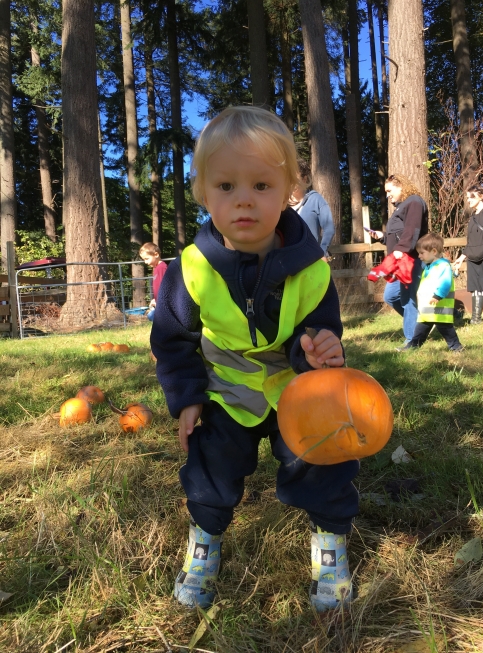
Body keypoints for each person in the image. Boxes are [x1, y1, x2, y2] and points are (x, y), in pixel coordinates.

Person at [150, 106, 358, 612]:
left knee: (323, 458)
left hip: (294, 388)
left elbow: (322, 326)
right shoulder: (192, 269)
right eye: (226, 187)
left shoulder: (310, 268)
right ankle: (204, 543)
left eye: (261, 186)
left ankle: (330, 543)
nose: (243, 199)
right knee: (210, 467)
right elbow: (173, 339)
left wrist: (320, 347)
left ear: (289, 189)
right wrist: (187, 397)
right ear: (203, 193)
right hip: (226, 390)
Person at [369, 173, 428, 348]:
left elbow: (412, 230)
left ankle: (412, 341)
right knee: (391, 296)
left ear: (401, 185)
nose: (387, 195)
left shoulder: (414, 202)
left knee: (408, 299)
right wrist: (383, 236)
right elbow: (398, 235)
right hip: (400, 259)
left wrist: (401, 251)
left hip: (410, 259)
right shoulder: (401, 207)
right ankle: (421, 327)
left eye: (389, 190)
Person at [398, 233, 463, 352]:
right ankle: (412, 346)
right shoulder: (430, 267)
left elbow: (445, 282)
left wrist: (437, 296)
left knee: (446, 330)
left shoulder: (443, 266)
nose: (419, 256)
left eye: (422, 253)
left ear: (433, 251)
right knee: (420, 331)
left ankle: (456, 348)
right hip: (427, 309)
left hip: (439, 308)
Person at [452, 184, 483, 324]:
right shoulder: (473, 218)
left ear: (481, 196)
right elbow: (471, 242)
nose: (468, 200)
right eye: (467, 198)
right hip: (473, 258)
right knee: (475, 288)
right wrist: (461, 258)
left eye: (471, 197)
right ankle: (476, 319)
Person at [289, 158, 335, 257]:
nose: (290, 181)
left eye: (294, 177)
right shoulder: (282, 204)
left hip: (310, 260)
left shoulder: (316, 199)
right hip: (286, 262)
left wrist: (322, 253)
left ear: (304, 179)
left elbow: (329, 228)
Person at [139, 242, 167, 321]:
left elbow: (164, 287)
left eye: (147, 259)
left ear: (156, 255)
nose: (145, 262)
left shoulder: (162, 267)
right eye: (144, 259)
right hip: (159, 303)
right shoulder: (156, 268)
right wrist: (155, 299)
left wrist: (160, 302)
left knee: (152, 316)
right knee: (151, 316)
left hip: (163, 304)